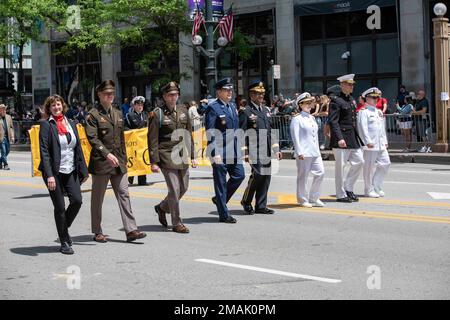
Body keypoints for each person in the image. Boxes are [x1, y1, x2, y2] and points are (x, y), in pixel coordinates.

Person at [85, 80, 146, 243]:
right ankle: (97, 230)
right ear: (99, 95)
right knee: (98, 198)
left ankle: (131, 230)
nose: (110, 96)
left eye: (112, 93)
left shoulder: (118, 113)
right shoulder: (93, 115)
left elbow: (121, 139)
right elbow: (93, 138)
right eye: (106, 93)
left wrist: (124, 160)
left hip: (118, 161)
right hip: (101, 162)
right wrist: (106, 154)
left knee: (124, 194)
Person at [38, 95, 89, 255]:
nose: (56, 107)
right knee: (60, 207)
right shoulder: (46, 125)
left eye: (58, 104)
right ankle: (64, 242)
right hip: (54, 172)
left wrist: (84, 171)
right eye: (52, 105)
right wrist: (50, 175)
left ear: (63, 106)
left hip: (70, 169)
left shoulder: (71, 123)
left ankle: (63, 229)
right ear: (49, 108)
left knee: (77, 201)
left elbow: (78, 148)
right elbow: (44, 151)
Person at [148, 82, 197, 233]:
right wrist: (154, 162)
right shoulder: (157, 114)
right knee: (174, 190)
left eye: (175, 94)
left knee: (184, 187)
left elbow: (189, 134)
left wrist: (193, 155)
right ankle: (177, 223)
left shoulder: (184, 110)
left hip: (182, 154)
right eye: (170, 95)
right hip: (166, 154)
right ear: (164, 96)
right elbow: (152, 139)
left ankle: (162, 207)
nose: (173, 97)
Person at [205, 78, 245, 223]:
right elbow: (210, 131)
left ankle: (219, 200)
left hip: (233, 150)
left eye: (231, 90)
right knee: (221, 184)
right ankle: (224, 214)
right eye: (226, 90)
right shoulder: (213, 108)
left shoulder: (232, 106)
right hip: (220, 152)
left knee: (239, 175)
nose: (230, 92)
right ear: (219, 92)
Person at [239, 81, 282, 215]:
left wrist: (276, 148)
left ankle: (261, 205)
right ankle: (246, 201)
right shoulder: (245, 112)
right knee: (257, 175)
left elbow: (270, 131)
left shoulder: (265, 110)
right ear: (251, 95)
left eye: (262, 94)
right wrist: (245, 152)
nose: (261, 96)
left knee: (266, 177)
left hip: (266, 149)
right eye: (258, 93)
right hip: (254, 149)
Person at [329, 74, 364, 203]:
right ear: (342, 85)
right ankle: (340, 194)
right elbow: (333, 122)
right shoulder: (336, 101)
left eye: (352, 84)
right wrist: (339, 138)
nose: (352, 86)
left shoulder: (352, 100)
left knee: (360, 161)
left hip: (352, 138)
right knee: (340, 168)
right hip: (341, 138)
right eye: (349, 84)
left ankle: (348, 187)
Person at [290, 93, 325, 208]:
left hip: (315, 152)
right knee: (303, 177)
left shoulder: (312, 118)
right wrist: (299, 152)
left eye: (311, 102)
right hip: (304, 153)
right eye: (307, 103)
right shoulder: (297, 119)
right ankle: (302, 199)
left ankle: (314, 197)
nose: (310, 105)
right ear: (300, 105)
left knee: (320, 173)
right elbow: (295, 136)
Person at [357, 88, 390, 198]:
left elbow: (382, 129)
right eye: (374, 97)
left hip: (380, 143)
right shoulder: (363, 112)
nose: (376, 99)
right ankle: (368, 189)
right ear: (367, 98)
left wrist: (385, 141)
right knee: (368, 168)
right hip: (370, 144)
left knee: (386, 163)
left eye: (377, 97)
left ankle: (376, 186)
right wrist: (367, 141)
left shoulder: (379, 112)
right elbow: (362, 128)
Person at [125, 95, 148, 186]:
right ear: (134, 106)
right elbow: (125, 127)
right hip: (133, 143)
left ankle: (142, 180)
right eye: (138, 104)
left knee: (142, 159)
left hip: (143, 143)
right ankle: (130, 178)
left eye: (141, 105)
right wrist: (131, 132)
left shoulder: (145, 115)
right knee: (134, 160)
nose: (140, 106)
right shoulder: (129, 115)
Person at [0, 104, 14, 170]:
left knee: (8, 151)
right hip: (1, 138)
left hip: (7, 137)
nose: (4, 110)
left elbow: (11, 127)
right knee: (3, 151)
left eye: (4, 109)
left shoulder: (9, 117)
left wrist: (12, 136)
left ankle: (0, 161)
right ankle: (6, 165)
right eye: (2, 109)